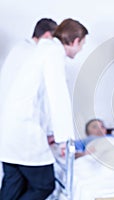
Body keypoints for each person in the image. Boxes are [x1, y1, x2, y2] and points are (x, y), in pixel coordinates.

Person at [0, 18, 88, 200]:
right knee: (45, 185)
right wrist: (64, 139)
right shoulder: (53, 52)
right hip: (24, 132)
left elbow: (41, 97)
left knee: (13, 183)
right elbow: (57, 95)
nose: (80, 50)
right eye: (82, 44)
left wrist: (50, 131)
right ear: (76, 41)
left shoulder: (40, 50)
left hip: (9, 129)